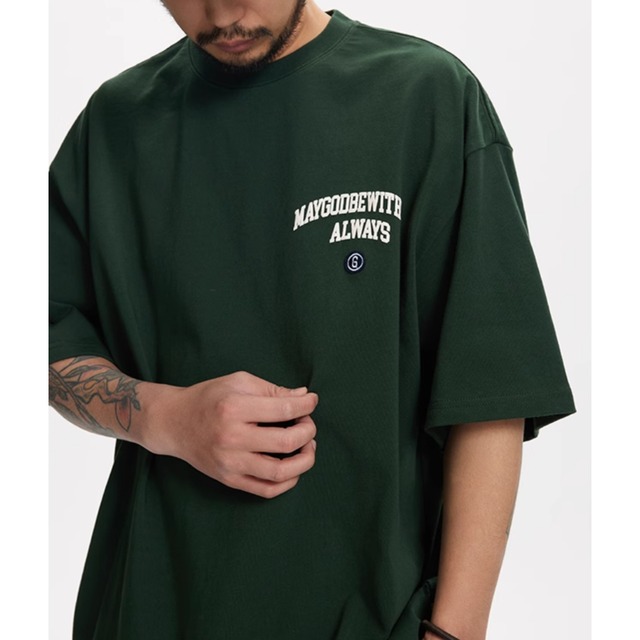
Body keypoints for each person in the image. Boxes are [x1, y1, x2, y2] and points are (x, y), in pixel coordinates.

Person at [49, 1, 576, 639]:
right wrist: (165, 417)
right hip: (149, 610)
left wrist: (454, 633)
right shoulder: (116, 124)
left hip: (370, 616)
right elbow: (42, 336)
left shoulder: (424, 96)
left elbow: (490, 395)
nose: (223, 11)